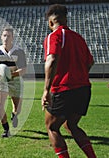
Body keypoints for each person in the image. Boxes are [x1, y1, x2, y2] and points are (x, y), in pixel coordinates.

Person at [41, 4, 96, 158]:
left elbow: (51, 60)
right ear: (66, 19)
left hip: (64, 89)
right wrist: (79, 75)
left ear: (51, 23)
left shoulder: (54, 36)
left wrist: (46, 90)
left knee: (52, 127)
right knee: (71, 125)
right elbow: (90, 62)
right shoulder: (78, 38)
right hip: (84, 89)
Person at [0, 27, 27, 137]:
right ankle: (6, 130)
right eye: (4, 35)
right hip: (1, 80)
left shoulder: (19, 51)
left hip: (15, 80)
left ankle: (14, 115)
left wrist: (11, 74)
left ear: (12, 38)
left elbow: (23, 70)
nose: (6, 38)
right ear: (1, 37)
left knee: (17, 108)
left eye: (8, 36)